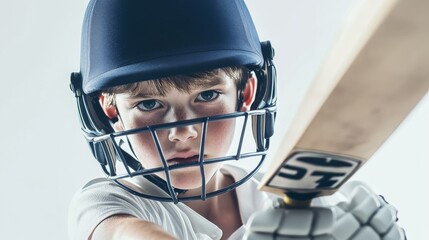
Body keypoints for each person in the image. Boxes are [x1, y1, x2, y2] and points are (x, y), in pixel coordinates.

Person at [68, 1, 405, 239]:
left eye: (207, 96)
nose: (182, 132)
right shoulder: (107, 205)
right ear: (111, 110)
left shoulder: (280, 202)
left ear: (245, 93)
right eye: (150, 103)